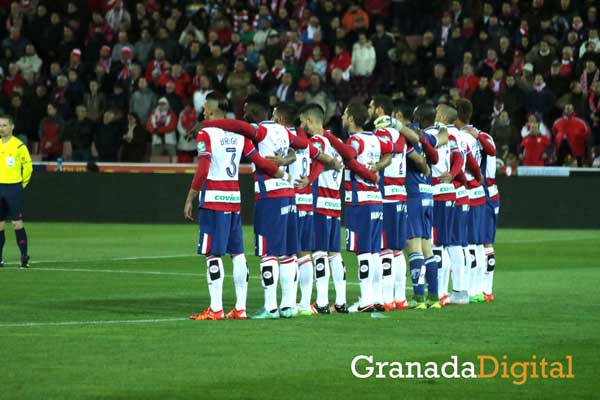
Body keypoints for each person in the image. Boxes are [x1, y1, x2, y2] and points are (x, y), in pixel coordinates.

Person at [184, 94, 285, 321]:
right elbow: (258, 160)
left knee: (213, 254)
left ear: (211, 110)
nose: (202, 113)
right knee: (237, 254)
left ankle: (216, 308)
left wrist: (191, 196)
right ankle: (240, 308)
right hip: (234, 199)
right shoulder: (239, 134)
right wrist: (282, 172)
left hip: (213, 199)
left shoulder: (205, 132)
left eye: (204, 109)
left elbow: (203, 168)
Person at [368, 95, 425, 311]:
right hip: (401, 194)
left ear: (380, 110)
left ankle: (386, 298)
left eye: (372, 106)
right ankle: (399, 298)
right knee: (397, 250)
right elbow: (415, 144)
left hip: (386, 196)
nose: (370, 109)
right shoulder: (400, 135)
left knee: (384, 249)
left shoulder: (381, 134)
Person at [405, 104, 446, 309]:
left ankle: (419, 297)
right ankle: (434, 297)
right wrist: (439, 124)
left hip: (413, 194)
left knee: (413, 246)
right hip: (428, 195)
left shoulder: (408, 135)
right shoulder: (426, 137)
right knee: (427, 247)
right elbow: (444, 135)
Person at [0, 115, 32, 268]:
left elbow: (28, 168)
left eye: (4, 125)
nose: (1, 128)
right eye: (0, 125)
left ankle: (24, 257)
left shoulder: (19, 146)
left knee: (17, 223)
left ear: (12, 127)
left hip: (13, 188)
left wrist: (21, 185)